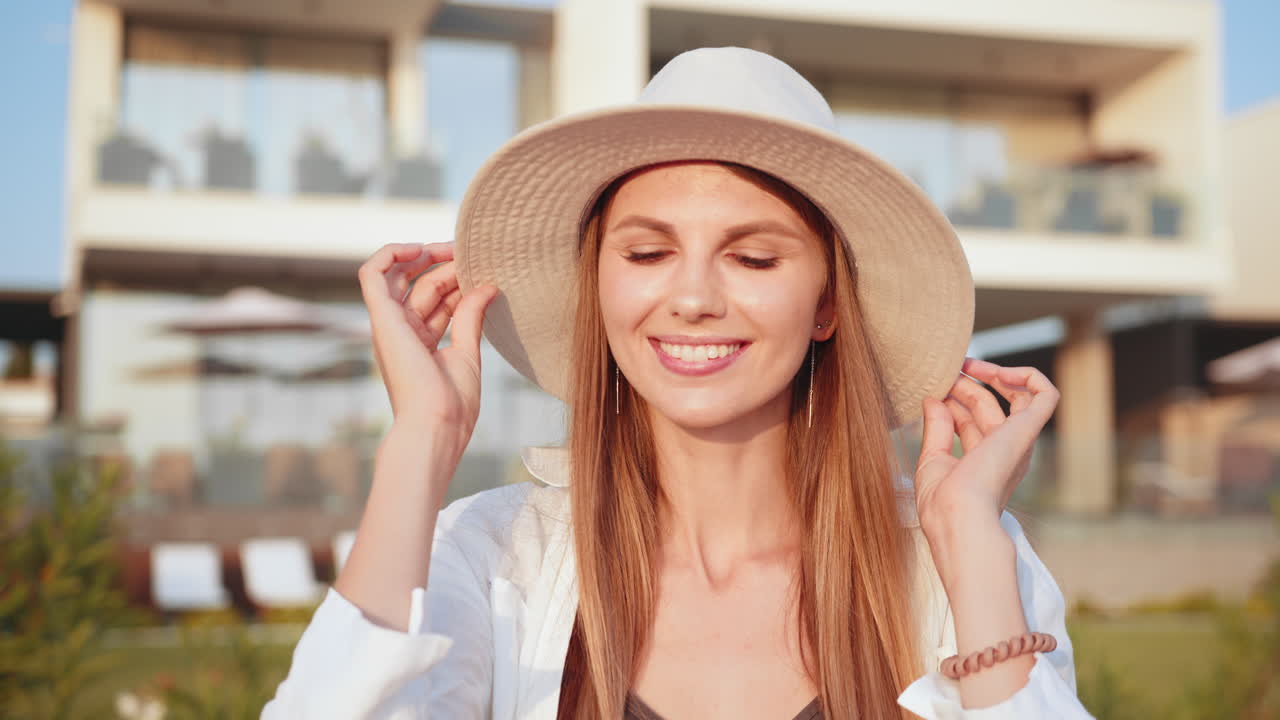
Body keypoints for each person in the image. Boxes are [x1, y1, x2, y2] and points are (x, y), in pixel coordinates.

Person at [263, 47, 1094, 719]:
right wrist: (422, 440)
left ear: (827, 305)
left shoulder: (960, 556)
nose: (693, 299)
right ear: (601, 285)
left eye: (753, 256)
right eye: (648, 253)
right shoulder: (496, 555)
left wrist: (970, 553)